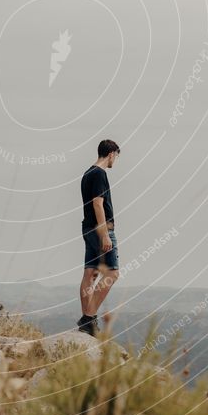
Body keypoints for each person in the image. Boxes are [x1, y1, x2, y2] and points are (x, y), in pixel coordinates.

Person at [78, 139, 121, 336]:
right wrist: (105, 234)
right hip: (99, 229)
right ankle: (89, 317)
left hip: (87, 228)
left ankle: (87, 320)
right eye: (116, 156)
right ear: (111, 153)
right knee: (112, 274)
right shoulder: (99, 173)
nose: (115, 161)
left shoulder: (87, 173)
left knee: (90, 273)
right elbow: (98, 203)